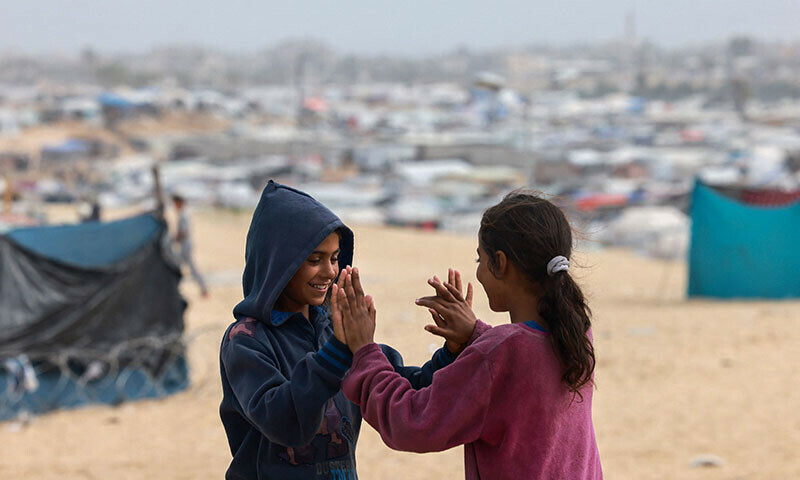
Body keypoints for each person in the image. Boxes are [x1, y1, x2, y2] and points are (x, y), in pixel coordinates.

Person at [334, 190, 603, 480]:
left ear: (500, 263)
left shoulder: (499, 354)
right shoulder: (575, 332)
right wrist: (476, 335)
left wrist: (364, 351)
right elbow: (522, 369)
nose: (479, 273)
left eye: (480, 259)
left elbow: (412, 422)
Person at [218, 180, 468, 480]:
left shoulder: (334, 334)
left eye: (335, 258)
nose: (330, 272)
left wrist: (453, 349)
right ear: (279, 263)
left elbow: (406, 391)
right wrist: (337, 351)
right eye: (314, 260)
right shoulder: (246, 340)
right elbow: (283, 421)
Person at [171, 193, 209, 298]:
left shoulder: (183, 215)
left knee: (189, 268)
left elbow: (183, 232)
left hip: (185, 246)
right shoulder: (183, 214)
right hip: (184, 246)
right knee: (179, 267)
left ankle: (203, 288)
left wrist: (173, 239)